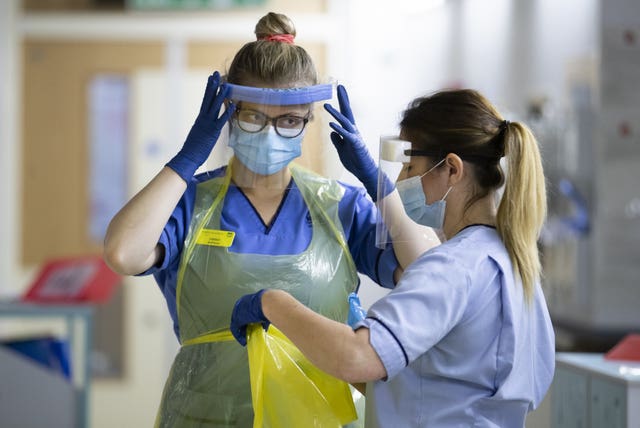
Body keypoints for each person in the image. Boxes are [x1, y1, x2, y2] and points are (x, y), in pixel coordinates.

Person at [103, 12, 433, 427]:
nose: (270, 132)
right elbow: (122, 253)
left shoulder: (340, 206)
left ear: (307, 123)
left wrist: (375, 181)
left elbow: (427, 275)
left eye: (289, 121)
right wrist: (188, 159)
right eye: (253, 116)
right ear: (227, 114)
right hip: (203, 417)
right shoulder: (190, 203)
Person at [231, 86, 556, 427]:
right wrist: (330, 335)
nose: (401, 181)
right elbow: (429, 386)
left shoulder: (453, 267)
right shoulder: (512, 263)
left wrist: (273, 303)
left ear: (452, 169)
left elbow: (359, 358)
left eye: (410, 167)